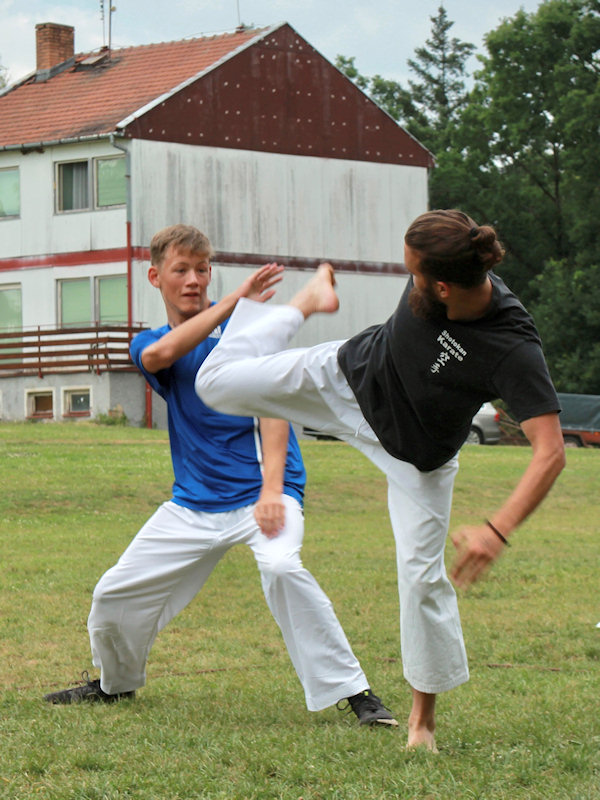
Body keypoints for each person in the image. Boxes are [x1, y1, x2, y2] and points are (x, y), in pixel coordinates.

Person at [194, 209, 566, 752]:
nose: (408, 279)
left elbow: (551, 453)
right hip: (348, 378)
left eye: (414, 273)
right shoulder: (444, 258)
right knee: (213, 384)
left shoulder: (511, 346)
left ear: (443, 287)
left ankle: (422, 723)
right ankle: (306, 302)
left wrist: (496, 530)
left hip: (417, 456)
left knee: (422, 579)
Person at [44, 224, 397, 728]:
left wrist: (272, 491)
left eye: (202, 269)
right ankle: (113, 685)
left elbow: (274, 410)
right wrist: (238, 299)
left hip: (264, 495)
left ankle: (356, 693)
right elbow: (161, 356)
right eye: (180, 270)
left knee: (282, 568)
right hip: (193, 504)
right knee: (112, 593)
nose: (193, 280)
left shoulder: (244, 337)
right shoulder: (151, 342)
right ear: (155, 277)